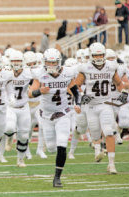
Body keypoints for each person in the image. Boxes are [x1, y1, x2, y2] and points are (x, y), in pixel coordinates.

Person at [28, 48, 79, 187]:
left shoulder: (67, 73)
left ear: (58, 62)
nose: (51, 65)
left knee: (62, 144)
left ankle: (57, 177)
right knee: (51, 148)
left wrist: (78, 103)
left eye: (53, 63)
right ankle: (55, 155)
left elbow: (75, 90)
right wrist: (40, 91)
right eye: (48, 63)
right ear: (44, 62)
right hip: (46, 116)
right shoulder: (40, 73)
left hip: (63, 113)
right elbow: (31, 94)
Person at [74, 42, 127, 174]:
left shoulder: (110, 66)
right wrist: (81, 95)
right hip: (91, 105)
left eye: (101, 55)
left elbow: (119, 84)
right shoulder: (85, 68)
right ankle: (97, 151)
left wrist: (124, 92)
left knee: (108, 131)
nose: (98, 58)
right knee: (95, 131)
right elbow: (76, 86)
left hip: (106, 104)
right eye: (96, 55)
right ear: (91, 56)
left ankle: (112, 164)